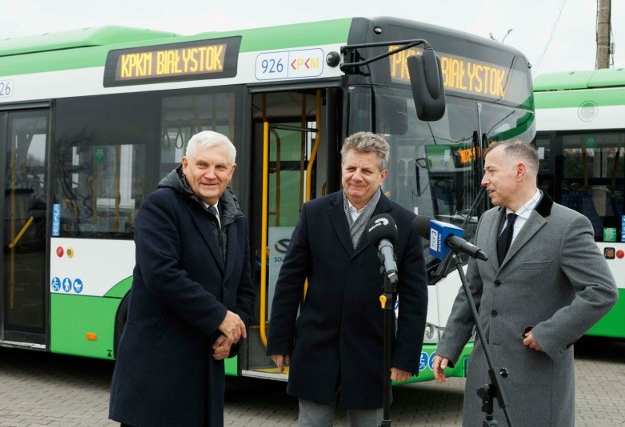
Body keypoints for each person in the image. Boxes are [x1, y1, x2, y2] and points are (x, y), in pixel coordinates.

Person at [433, 140, 618, 426]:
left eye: (491, 171)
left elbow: (602, 291)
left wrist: (551, 333)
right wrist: (449, 346)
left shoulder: (567, 225)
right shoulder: (486, 221)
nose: (484, 181)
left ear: (519, 171)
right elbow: (473, 290)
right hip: (484, 378)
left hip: (536, 381)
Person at [267, 131, 428, 426]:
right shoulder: (314, 213)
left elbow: (415, 296)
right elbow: (289, 280)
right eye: (350, 168)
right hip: (315, 348)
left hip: (372, 353)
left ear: (383, 175)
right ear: (342, 169)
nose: (357, 177)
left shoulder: (403, 223)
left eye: (366, 170)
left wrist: (405, 357)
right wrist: (279, 340)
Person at [109, 130, 255, 427]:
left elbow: (243, 288)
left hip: (205, 376)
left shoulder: (235, 219)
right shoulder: (161, 206)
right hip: (158, 379)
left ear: (232, 171)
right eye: (202, 165)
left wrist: (233, 335)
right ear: (185, 164)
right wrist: (219, 317)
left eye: (220, 167)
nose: (210, 174)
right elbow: (161, 275)